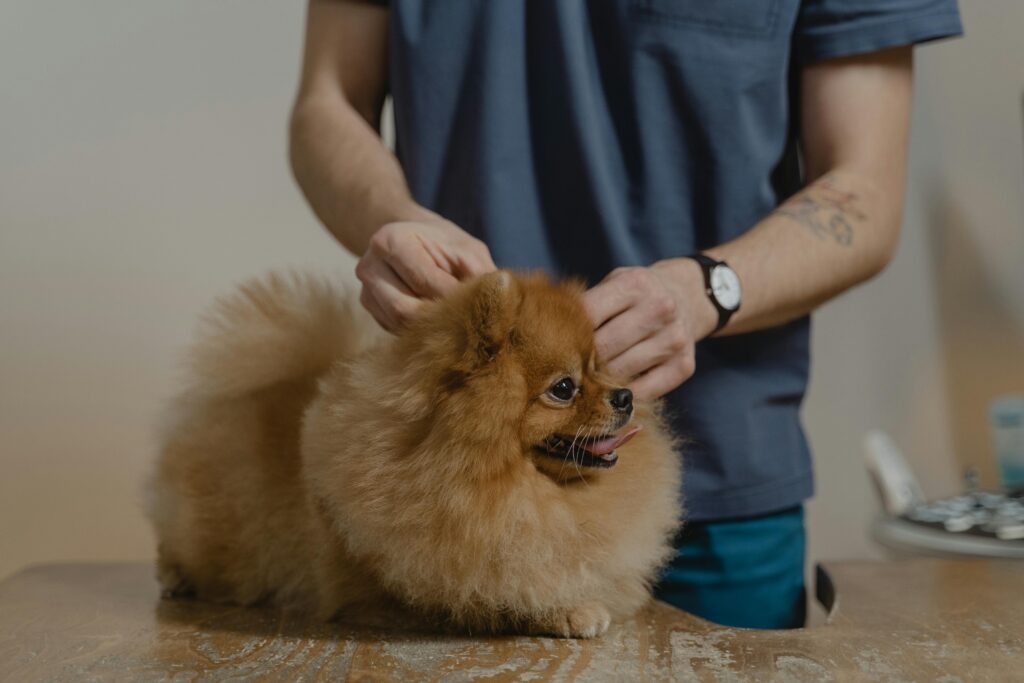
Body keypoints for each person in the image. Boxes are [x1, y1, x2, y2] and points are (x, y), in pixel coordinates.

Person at [288, 0, 962, 629]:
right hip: (443, 514)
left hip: (715, 500)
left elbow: (865, 190)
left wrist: (708, 289)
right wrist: (393, 220)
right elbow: (326, 103)